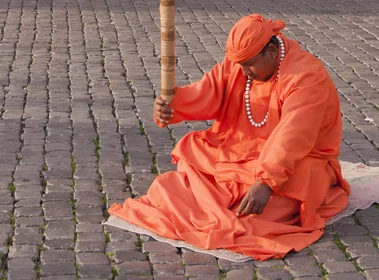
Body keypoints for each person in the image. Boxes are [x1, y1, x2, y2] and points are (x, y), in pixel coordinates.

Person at [109, 14, 350, 260]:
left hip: (293, 160)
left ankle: (218, 205)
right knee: (191, 153)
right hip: (238, 151)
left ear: (270, 51)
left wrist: (266, 183)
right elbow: (207, 91)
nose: (243, 72)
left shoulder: (306, 77)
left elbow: (294, 136)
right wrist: (172, 104)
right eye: (239, 65)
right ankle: (215, 204)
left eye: (249, 65)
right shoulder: (239, 65)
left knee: (271, 207)